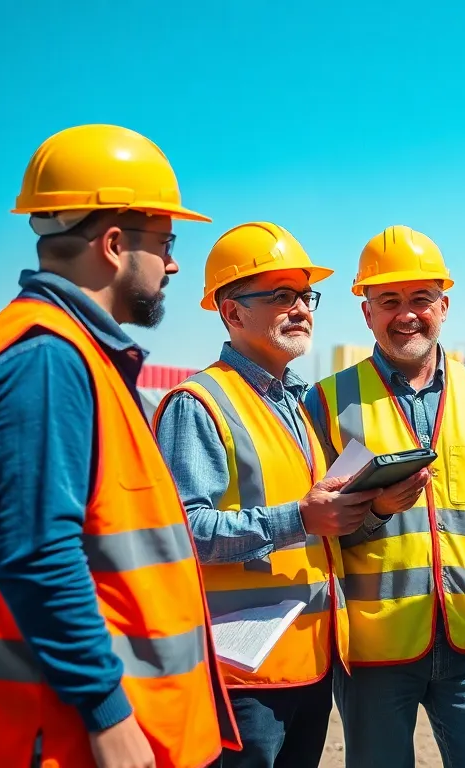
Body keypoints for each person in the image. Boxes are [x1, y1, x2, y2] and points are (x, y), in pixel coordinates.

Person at [0, 124, 238, 767]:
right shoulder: (47, 359)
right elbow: (37, 556)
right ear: (114, 243)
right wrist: (106, 712)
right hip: (66, 735)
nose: (175, 264)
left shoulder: (77, 355)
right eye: (166, 243)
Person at [303, 225, 465, 768]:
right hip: (374, 643)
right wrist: (377, 512)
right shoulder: (327, 401)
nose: (406, 314)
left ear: (444, 305)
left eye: (420, 299)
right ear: (366, 312)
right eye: (388, 300)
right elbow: (317, 517)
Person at [153, 222, 375, 767]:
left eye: (305, 295)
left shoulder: (297, 405)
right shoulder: (199, 402)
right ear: (232, 313)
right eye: (280, 296)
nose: (301, 308)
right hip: (241, 673)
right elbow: (182, 532)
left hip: (310, 660)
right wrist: (300, 517)